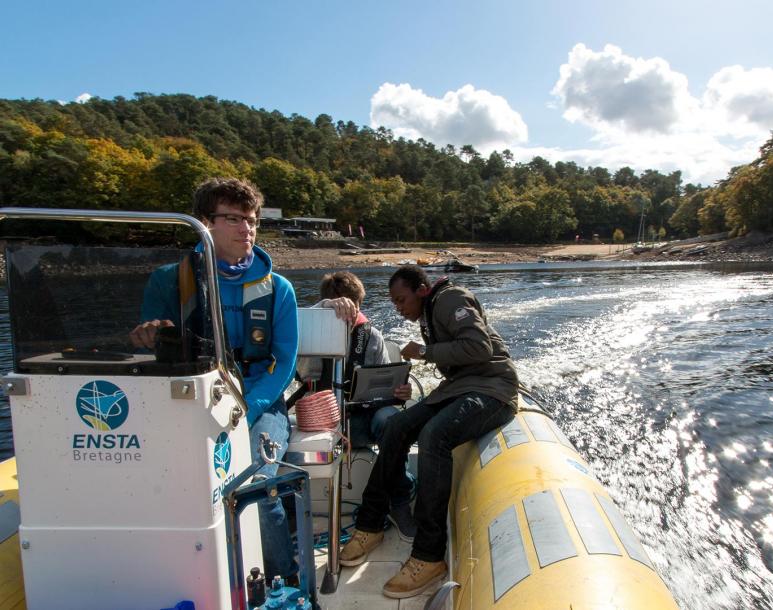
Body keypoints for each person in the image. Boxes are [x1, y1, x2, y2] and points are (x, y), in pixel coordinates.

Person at [129, 177, 299, 582]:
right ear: (205, 223)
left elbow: (284, 361)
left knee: (258, 483)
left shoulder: (279, 290)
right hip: (188, 403)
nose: (248, 230)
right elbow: (149, 352)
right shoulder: (167, 281)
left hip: (259, 401)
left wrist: (246, 410)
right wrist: (148, 337)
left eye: (253, 221)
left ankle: (282, 581)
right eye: (235, 219)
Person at [339, 265, 518, 599]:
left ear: (422, 289)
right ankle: (370, 524)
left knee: (434, 435)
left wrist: (423, 352)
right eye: (393, 303)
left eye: (401, 300)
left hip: (494, 389)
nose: (399, 308)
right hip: (459, 387)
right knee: (396, 427)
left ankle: (429, 554)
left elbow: (480, 348)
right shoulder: (428, 312)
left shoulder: (450, 299)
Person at [299, 271, 417, 540]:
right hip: (324, 420)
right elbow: (304, 370)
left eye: (356, 308)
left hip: (362, 419)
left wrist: (400, 390)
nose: (352, 315)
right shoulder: (311, 332)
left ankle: (399, 502)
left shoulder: (371, 336)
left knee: (392, 422)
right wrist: (322, 318)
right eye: (344, 308)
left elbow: (386, 383)